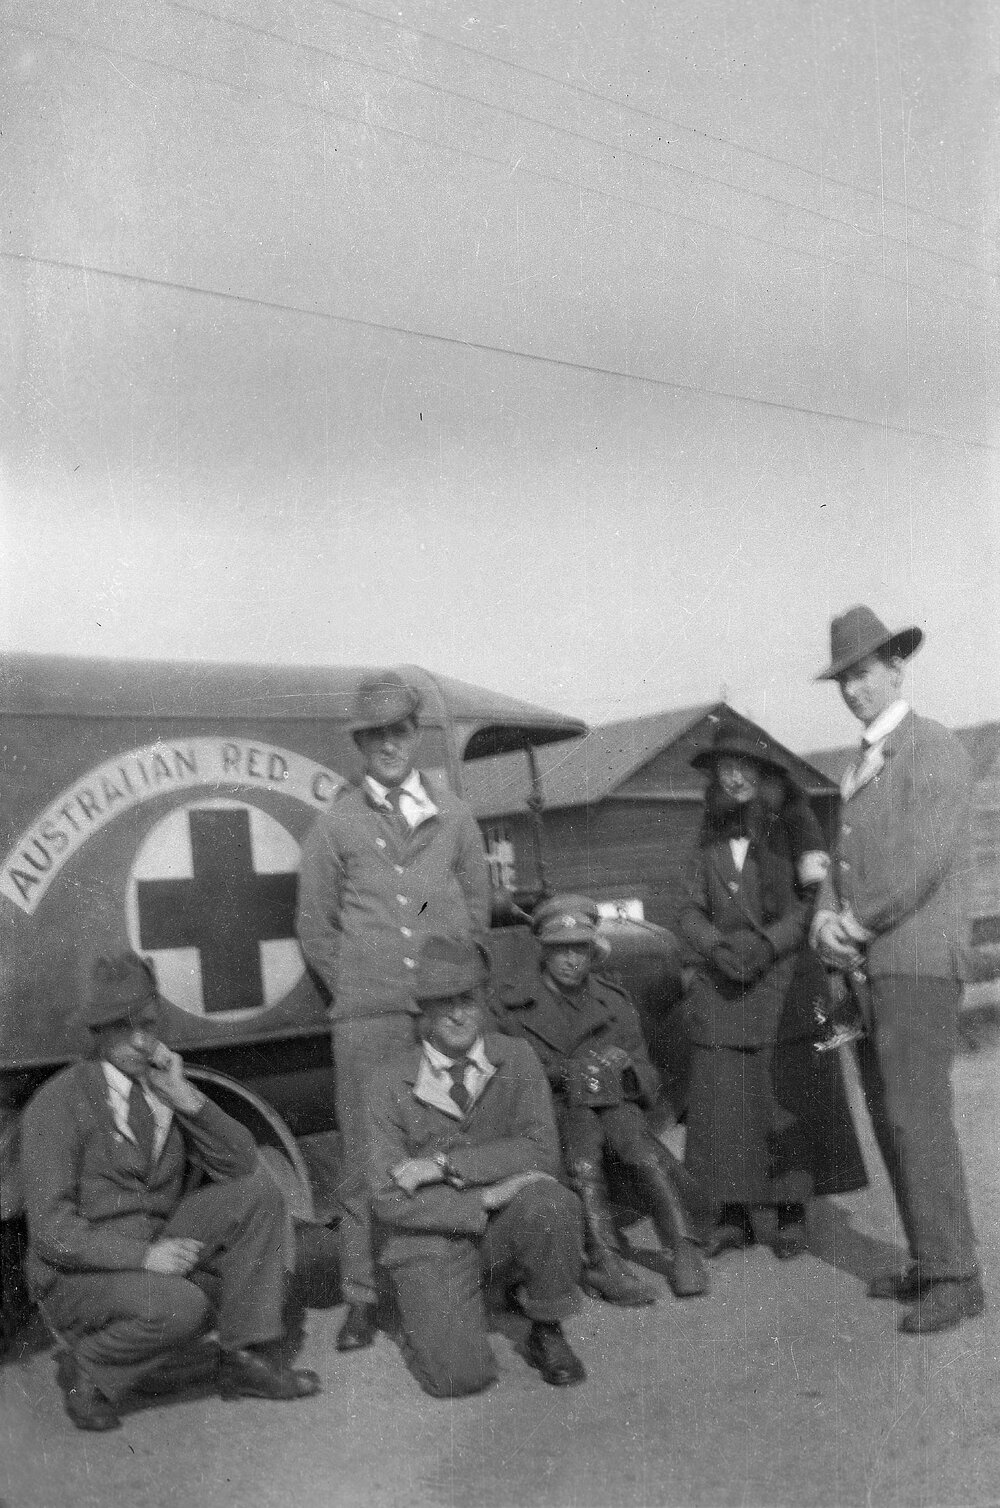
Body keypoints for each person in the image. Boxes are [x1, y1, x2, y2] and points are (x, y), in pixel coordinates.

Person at [20, 952, 320, 1432]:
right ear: (98, 1033)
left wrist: (186, 1098)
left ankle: (243, 1357)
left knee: (257, 1194)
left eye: (148, 1024)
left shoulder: (161, 1087)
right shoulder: (58, 1103)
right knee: (184, 1306)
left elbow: (242, 1164)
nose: (142, 1041)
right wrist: (145, 1258)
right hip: (77, 1273)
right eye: (124, 1028)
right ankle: (88, 1370)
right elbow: (52, 1233)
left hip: (152, 1245)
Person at [296, 671, 491, 1353]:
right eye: (374, 734)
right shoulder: (335, 824)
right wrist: (361, 984)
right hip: (367, 1018)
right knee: (365, 1154)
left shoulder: (454, 817)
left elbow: (476, 907)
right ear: (360, 743)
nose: (388, 745)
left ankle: (464, 1279)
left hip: (440, 1015)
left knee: (453, 1141)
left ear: (415, 735)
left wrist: (446, 984)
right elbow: (315, 925)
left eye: (399, 731)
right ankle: (362, 1296)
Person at [811, 605, 981, 1333]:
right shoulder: (859, 762)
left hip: (916, 964)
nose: (853, 690)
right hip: (869, 966)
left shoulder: (933, 747)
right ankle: (927, 1257)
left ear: (896, 667)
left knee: (918, 1118)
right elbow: (840, 860)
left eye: (863, 674)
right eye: (843, 680)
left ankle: (957, 1277)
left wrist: (853, 923)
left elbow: (921, 862)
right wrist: (823, 917)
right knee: (890, 1119)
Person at [366, 934, 586, 1398]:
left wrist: (444, 1165)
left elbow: (541, 1151)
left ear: (483, 1000)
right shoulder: (385, 1083)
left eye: (466, 999)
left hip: (500, 1229)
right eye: (442, 1003)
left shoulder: (516, 1057)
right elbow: (387, 1199)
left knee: (550, 1202)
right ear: (423, 1012)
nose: (458, 1015)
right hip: (432, 1239)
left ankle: (546, 1326)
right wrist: (485, 1196)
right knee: (459, 1379)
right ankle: (429, 1311)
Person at [680, 727, 867, 1259]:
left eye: (746, 767)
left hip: (784, 979)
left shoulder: (795, 826)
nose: (734, 777)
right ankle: (733, 1215)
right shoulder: (707, 834)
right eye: (725, 768)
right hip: (724, 981)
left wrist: (768, 944)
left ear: (765, 775)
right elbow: (688, 908)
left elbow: (815, 902)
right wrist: (713, 945)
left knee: (783, 1095)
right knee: (725, 1100)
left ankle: (790, 1210)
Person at [496, 894, 707, 1305]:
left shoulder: (613, 1001)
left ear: (593, 952)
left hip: (612, 1104)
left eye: (580, 949)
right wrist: (568, 1072)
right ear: (544, 951)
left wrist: (625, 1067)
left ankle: (683, 1246)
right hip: (556, 1108)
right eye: (560, 950)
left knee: (639, 1148)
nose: (571, 960)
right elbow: (511, 1077)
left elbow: (647, 1074)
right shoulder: (514, 1007)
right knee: (583, 1158)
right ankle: (604, 1261)